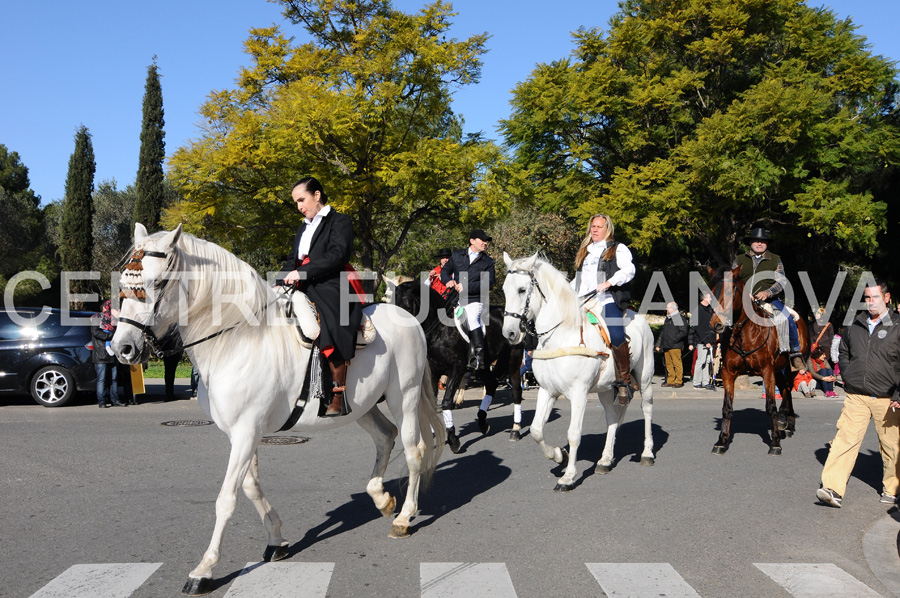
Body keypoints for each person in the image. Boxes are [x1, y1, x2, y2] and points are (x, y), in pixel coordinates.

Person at [278, 176, 364, 417]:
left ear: (317, 195)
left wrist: (302, 272)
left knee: (330, 317)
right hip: (304, 282)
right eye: (296, 202)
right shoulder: (302, 227)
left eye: (301, 200)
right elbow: (291, 261)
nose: (299, 206)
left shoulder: (339, 221)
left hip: (332, 281)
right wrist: (275, 283)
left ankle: (338, 392)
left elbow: (338, 254)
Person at [816, 279, 900, 508]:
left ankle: (892, 489)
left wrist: (899, 394)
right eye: (867, 297)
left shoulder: (897, 325)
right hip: (857, 395)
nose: (870, 302)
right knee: (844, 440)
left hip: (888, 397)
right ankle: (832, 488)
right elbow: (843, 352)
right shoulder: (856, 325)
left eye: (875, 297)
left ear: (886, 298)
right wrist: (848, 374)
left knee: (892, 447)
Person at [572, 214, 637, 405]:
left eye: (599, 227)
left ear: (607, 229)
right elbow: (579, 280)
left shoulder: (618, 249)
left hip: (607, 299)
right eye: (593, 226)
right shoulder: (585, 251)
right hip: (584, 300)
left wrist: (609, 282)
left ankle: (624, 380)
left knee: (616, 333)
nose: (595, 230)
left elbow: (629, 270)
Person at [441, 229, 496, 438]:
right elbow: (445, 271)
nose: (486, 243)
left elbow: (488, 283)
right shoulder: (457, 256)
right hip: (455, 299)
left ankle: (478, 357)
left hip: (475, 300)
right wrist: (448, 280)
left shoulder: (488, 261)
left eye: (486, 241)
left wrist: (467, 286)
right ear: (472, 241)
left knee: (472, 318)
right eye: (483, 240)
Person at [732, 227, 804, 370]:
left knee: (788, 318)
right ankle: (726, 352)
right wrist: (745, 293)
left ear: (767, 244)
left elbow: (782, 281)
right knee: (725, 319)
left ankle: (795, 353)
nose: (760, 244)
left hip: (769, 300)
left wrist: (768, 292)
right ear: (750, 243)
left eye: (763, 242)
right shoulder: (739, 259)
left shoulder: (775, 259)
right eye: (757, 241)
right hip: (744, 300)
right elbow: (732, 280)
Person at [91, 300, 126, 408]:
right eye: (115, 308)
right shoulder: (97, 318)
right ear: (106, 308)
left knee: (114, 379)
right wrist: (112, 336)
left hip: (113, 354)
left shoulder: (115, 321)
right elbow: (96, 333)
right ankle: (102, 401)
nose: (117, 310)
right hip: (101, 354)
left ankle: (115, 400)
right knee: (102, 379)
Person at [655, 301, 688, 388]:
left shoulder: (679, 318)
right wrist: (659, 344)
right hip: (666, 345)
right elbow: (663, 332)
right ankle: (670, 380)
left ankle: (678, 381)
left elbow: (683, 332)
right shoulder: (668, 318)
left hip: (675, 345)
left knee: (677, 363)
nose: (667, 309)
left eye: (668, 307)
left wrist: (674, 339)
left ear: (673, 308)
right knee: (668, 364)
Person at [689, 291, 716, 390]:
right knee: (701, 361)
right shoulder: (698, 310)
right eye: (709, 297)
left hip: (710, 339)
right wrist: (705, 342)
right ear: (704, 298)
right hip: (702, 340)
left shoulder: (709, 309)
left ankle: (705, 382)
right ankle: (696, 381)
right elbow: (698, 327)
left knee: (708, 361)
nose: (711, 299)